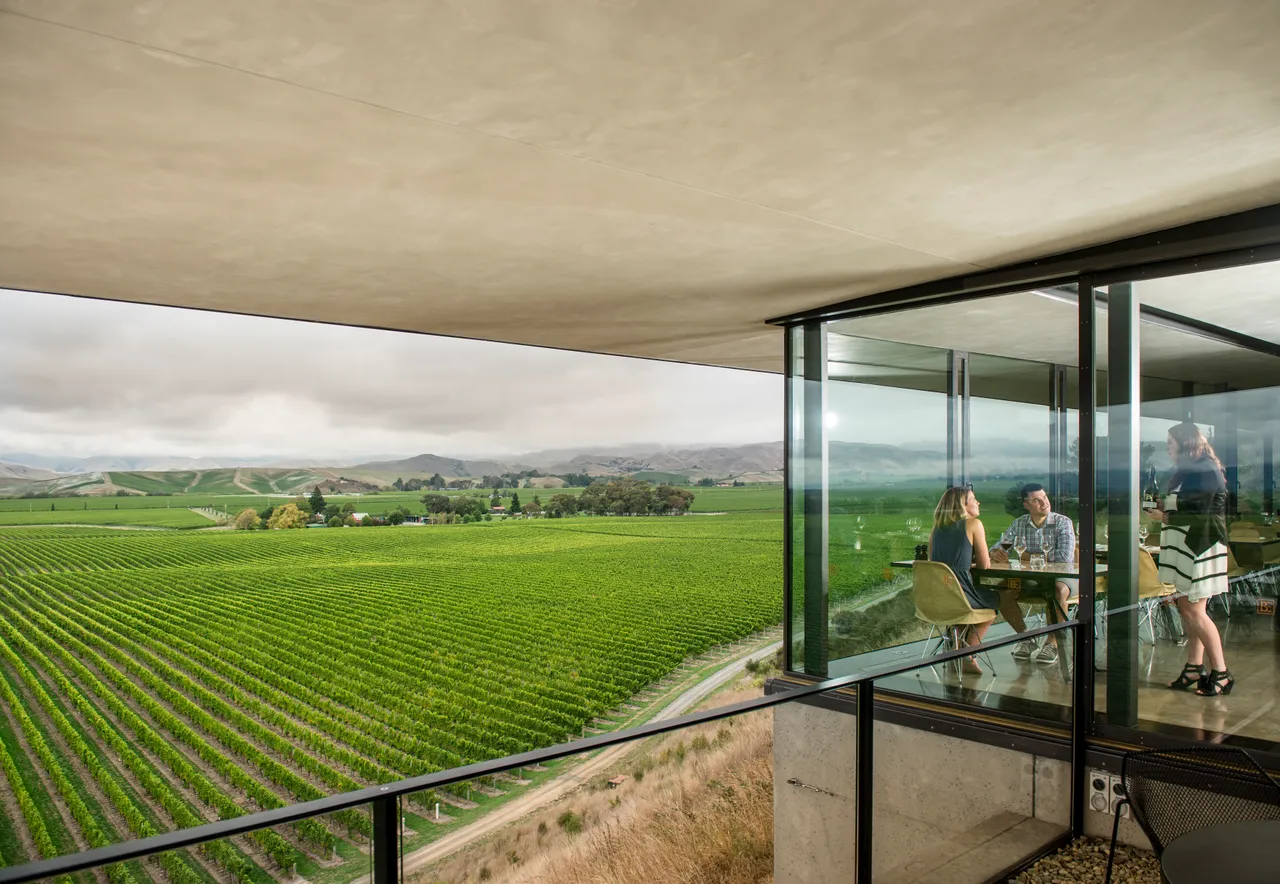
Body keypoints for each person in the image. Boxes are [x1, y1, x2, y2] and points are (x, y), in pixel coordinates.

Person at [1156, 422, 1232, 696]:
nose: (1167, 447)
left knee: (1195, 612)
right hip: (1187, 545)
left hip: (1201, 546)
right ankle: (1193, 668)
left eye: (1170, 442)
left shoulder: (1205, 469)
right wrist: (1165, 507)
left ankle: (1221, 674)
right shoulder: (1188, 472)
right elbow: (1188, 504)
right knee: (1188, 610)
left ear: (1185, 442)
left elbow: (1200, 511)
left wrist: (1166, 516)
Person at [989, 483, 1076, 665]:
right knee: (1002, 590)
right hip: (1030, 579)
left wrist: (1026, 556)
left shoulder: (1063, 522)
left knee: (1058, 591)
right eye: (1037, 500)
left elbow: (1063, 558)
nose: (1044, 503)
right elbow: (1001, 545)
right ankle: (1026, 638)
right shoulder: (1019, 523)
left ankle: (1052, 642)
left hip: (1062, 577)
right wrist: (995, 552)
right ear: (1026, 505)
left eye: (1044, 498)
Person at [928, 486, 998, 674]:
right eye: (974, 499)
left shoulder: (936, 529)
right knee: (994, 601)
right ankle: (968, 653)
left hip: (939, 596)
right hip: (961, 593)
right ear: (963, 505)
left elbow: (933, 563)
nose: (978, 502)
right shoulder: (973, 524)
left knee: (963, 609)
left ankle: (955, 649)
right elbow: (984, 565)